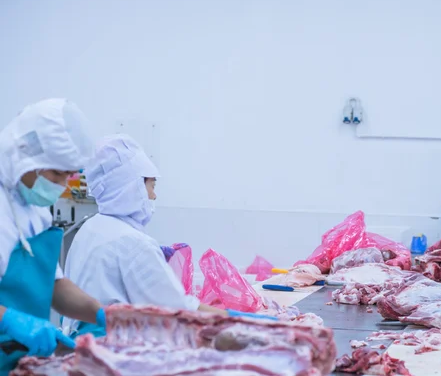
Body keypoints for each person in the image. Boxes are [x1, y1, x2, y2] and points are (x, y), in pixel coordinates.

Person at [61, 134, 273, 337]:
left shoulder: (90, 228)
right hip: (112, 348)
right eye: (151, 186)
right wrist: (240, 321)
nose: (154, 195)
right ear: (132, 186)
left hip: (79, 342)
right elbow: (179, 313)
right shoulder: (134, 243)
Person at [0, 99, 106, 372]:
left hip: (17, 359)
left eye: (69, 175)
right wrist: (9, 320)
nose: (60, 185)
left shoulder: (34, 208)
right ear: (25, 154)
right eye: (57, 174)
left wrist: (99, 312)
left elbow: (54, 284)